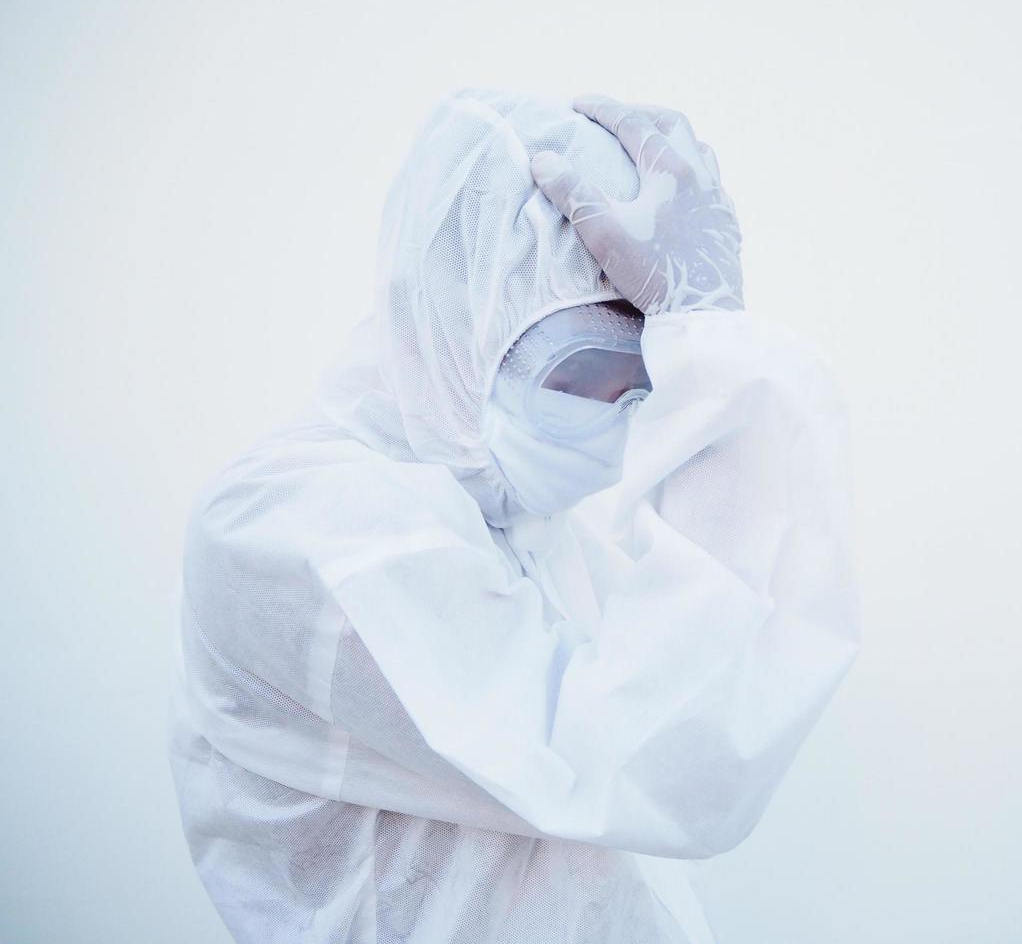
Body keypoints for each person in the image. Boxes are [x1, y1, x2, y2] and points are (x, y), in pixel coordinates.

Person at [167, 88, 860, 943]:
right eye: (584, 374)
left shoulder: (515, 524)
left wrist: (699, 353)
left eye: (640, 387)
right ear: (455, 322)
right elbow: (658, 769)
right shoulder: (296, 526)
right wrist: (719, 357)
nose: (617, 418)